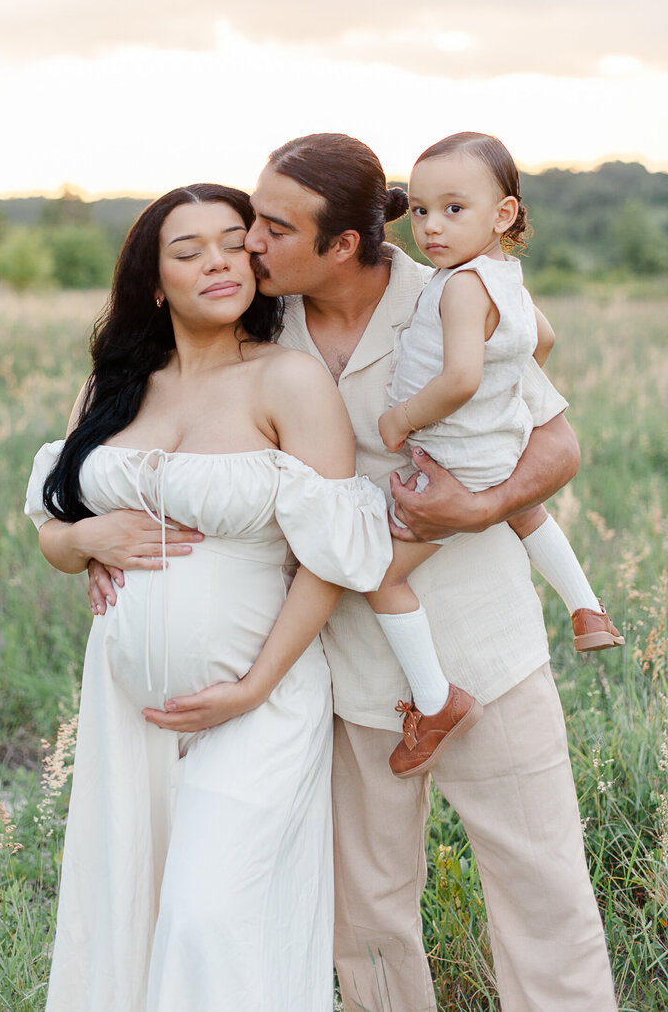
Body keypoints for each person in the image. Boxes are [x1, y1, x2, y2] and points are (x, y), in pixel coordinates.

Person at [83, 134, 618, 1012]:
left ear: (342, 244)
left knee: (542, 894)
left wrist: (476, 508)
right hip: (341, 672)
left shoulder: (452, 297)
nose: (250, 241)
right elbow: (167, 443)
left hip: (485, 647)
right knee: (365, 920)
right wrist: (93, 538)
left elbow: (556, 441)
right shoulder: (258, 321)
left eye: (272, 226)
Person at [27, 182, 393, 1011]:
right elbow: (53, 528)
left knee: (205, 917)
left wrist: (254, 687)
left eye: (235, 243)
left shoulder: (288, 381)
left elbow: (332, 556)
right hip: (126, 711)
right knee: (129, 908)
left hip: (256, 702)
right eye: (188, 251)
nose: (219, 262)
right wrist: (81, 541)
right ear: (155, 283)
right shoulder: (113, 389)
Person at [364, 131, 622, 777]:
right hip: (498, 444)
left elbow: (458, 381)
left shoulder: (458, 288)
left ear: (503, 214)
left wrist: (401, 417)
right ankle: (585, 606)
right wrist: (511, 387)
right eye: (420, 210)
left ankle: (435, 699)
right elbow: (546, 337)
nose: (431, 227)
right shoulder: (506, 276)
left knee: (383, 577)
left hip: (456, 458)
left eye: (454, 209)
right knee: (527, 511)